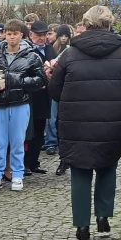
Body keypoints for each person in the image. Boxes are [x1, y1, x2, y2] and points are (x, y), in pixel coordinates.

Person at [49, 5, 121, 240]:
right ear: (109, 25)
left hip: (76, 121)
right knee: (107, 167)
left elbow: (55, 89)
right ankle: (103, 217)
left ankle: (81, 225)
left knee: (80, 170)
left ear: (85, 25)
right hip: (112, 119)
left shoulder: (70, 54)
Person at [0, 19, 45, 192]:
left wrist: (20, 82)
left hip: (20, 103)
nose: (11, 37)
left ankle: (17, 174)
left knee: (17, 141)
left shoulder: (31, 56)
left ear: (21, 35)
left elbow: (40, 80)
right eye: (8, 34)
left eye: (14, 34)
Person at [24, 21, 52, 176]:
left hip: (44, 96)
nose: (41, 38)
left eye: (44, 35)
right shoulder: (27, 50)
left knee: (40, 130)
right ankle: (26, 162)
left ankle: (34, 161)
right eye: (38, 35)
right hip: (30, 96)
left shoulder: (49, 49)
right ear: (31, 35)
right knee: (29, 132)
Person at [46, 24, 72, 161]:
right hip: (53, 86)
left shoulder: (71, 49)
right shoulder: (52, 49)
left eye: (66, 36)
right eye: (61, 35)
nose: (63, 38)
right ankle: (50, 142)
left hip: (65, 87)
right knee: (52, 117)